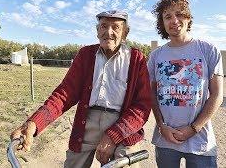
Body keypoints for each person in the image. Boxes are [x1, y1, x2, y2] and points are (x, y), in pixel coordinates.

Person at [10, 10, 152, 168]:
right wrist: (34, 123)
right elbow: (64, 95)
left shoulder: (136, 59)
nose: (108, 32)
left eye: (116, 27)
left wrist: (113, 136)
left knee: (124, 164)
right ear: (97, 31)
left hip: (123, 126)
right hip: (87, 123)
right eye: (104, 26)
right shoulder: (86, 54)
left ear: (125, 32)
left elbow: (142, 106)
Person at [147, 0, 224, 168]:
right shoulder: (156, 56)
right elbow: (152, 94)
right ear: (162, 23)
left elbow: (217, 95)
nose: (174, 20)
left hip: (200, 142)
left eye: (179, 14)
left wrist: (194, 128)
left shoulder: (208, 51)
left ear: (188, 18)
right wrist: (161, 126)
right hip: (165, 139)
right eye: (168, 16)